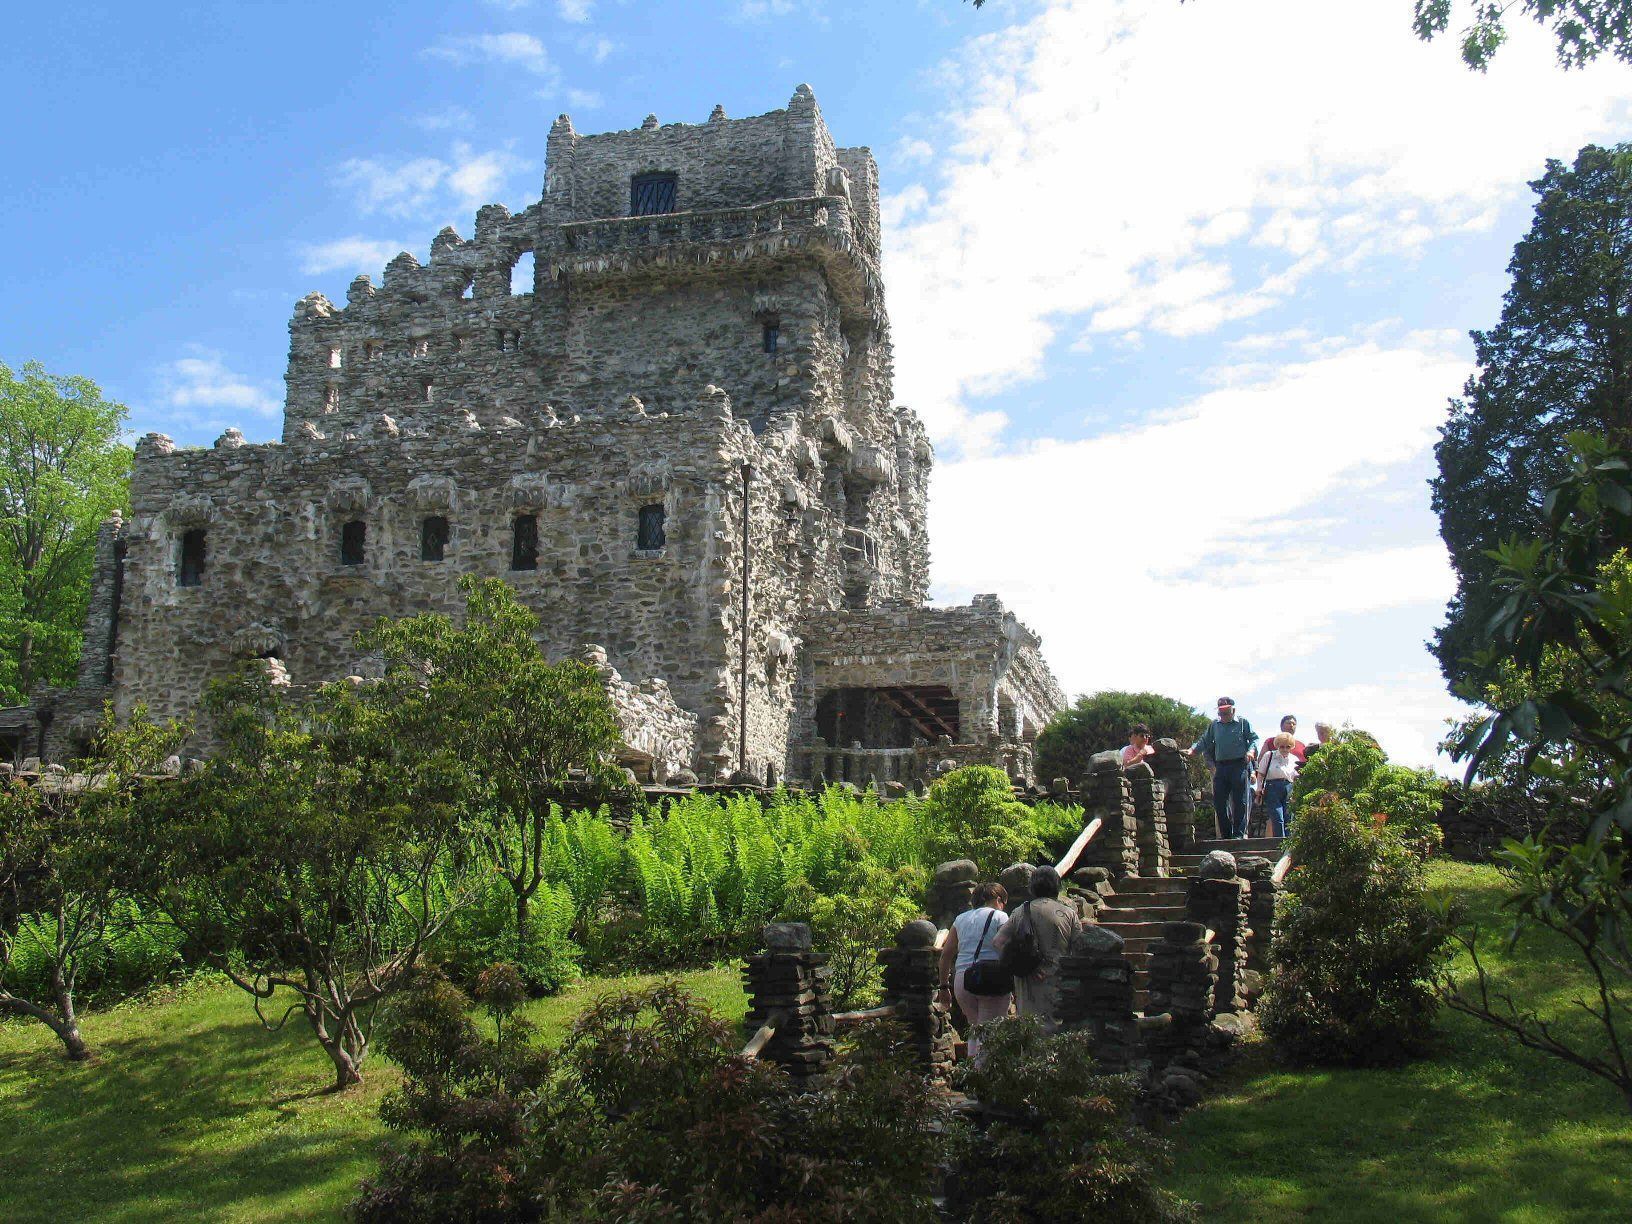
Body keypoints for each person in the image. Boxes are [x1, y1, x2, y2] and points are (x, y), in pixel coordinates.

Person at [995, 866, 1080, 1031]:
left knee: (1030, 1028)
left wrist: (1024, 965)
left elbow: (998, 941)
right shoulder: (1068, 914)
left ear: (1032, 887)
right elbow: (1079, 949)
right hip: (1058, 980)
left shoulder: (1020, 912)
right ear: (1057, 886)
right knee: (1057, 1032)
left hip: (1027, 982)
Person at [938, 882, 1011, 1066]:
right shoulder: (1000, 917)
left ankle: (973, 1079)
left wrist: (944, 986)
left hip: (963, 979)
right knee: (990, 1033)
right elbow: (1009, 950)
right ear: (998, 900)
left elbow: (946, 954)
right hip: (990, 977)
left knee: (976, 1029)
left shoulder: (960, 919)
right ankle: (984, 1084)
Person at [1193, 696, 1258, 840]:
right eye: (1220, 713)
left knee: (1240, 801)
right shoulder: (1214, 725)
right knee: (1219, 802)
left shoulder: (1242, 723)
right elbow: (1205, 740)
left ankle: (1238, 835)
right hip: (1221, 767)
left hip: (1239, 765)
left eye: (1226, 712)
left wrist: (1251, 751)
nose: (1222, 716)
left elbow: (1254, 739)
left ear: (1233, 710)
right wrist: (1193, 751)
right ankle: (1226, 835)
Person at [1254, 731, 1300, 838]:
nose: (1285, 749)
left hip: (1289, 787)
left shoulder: (1294, 759)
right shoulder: (1269, 755)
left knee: (1288, 817)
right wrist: (1259, 788)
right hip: (1272, 787)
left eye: (1288, 747)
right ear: (1278, 745)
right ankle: (1279, 843)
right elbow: (1261, 773)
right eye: (1282, 746)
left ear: (1291, 747)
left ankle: (1288, 845)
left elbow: (1297, 777)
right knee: (1277, 817)